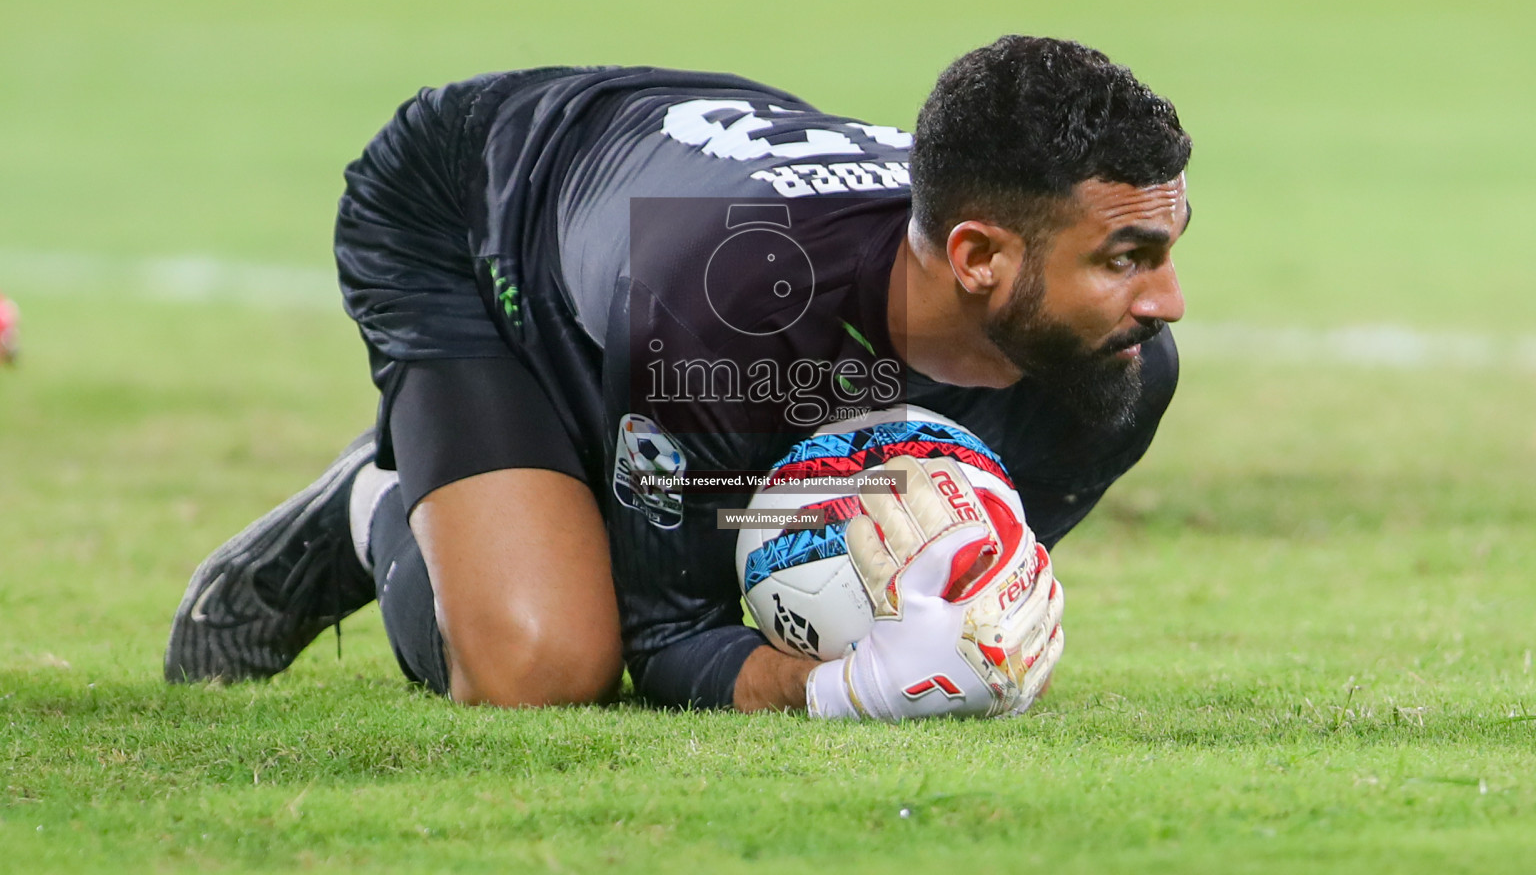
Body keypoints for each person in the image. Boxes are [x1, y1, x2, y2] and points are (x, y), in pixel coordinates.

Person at [165, 35, 1191, 718]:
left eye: (1167, 249)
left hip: (664, 251)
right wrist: (849, 691)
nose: (1167, 301)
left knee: (675, 478)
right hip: (476, 209)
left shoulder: (1118, 370)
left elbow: (925, 594)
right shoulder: (730, 302)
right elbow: (669, 640)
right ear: (978, 258)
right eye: (1123, 260)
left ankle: (526, 471)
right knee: (543, 665)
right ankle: (376, 501)